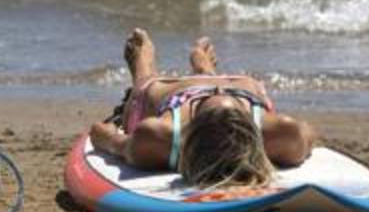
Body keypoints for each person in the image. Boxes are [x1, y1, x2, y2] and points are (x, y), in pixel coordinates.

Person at [89, 28, 316, 189]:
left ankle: (143, 67)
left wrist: (103, 135)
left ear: (193, 129)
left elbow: (113, 142)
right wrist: (225, 90)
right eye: (234, 107)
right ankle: (205, 69)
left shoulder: (158, 137)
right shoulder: (286, 135)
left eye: (208, 104)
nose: (217, 91)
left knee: (147, 89)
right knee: (227, 86)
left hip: (170, 94)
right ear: (249, 126)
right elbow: (311, 136)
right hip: (238, 85)